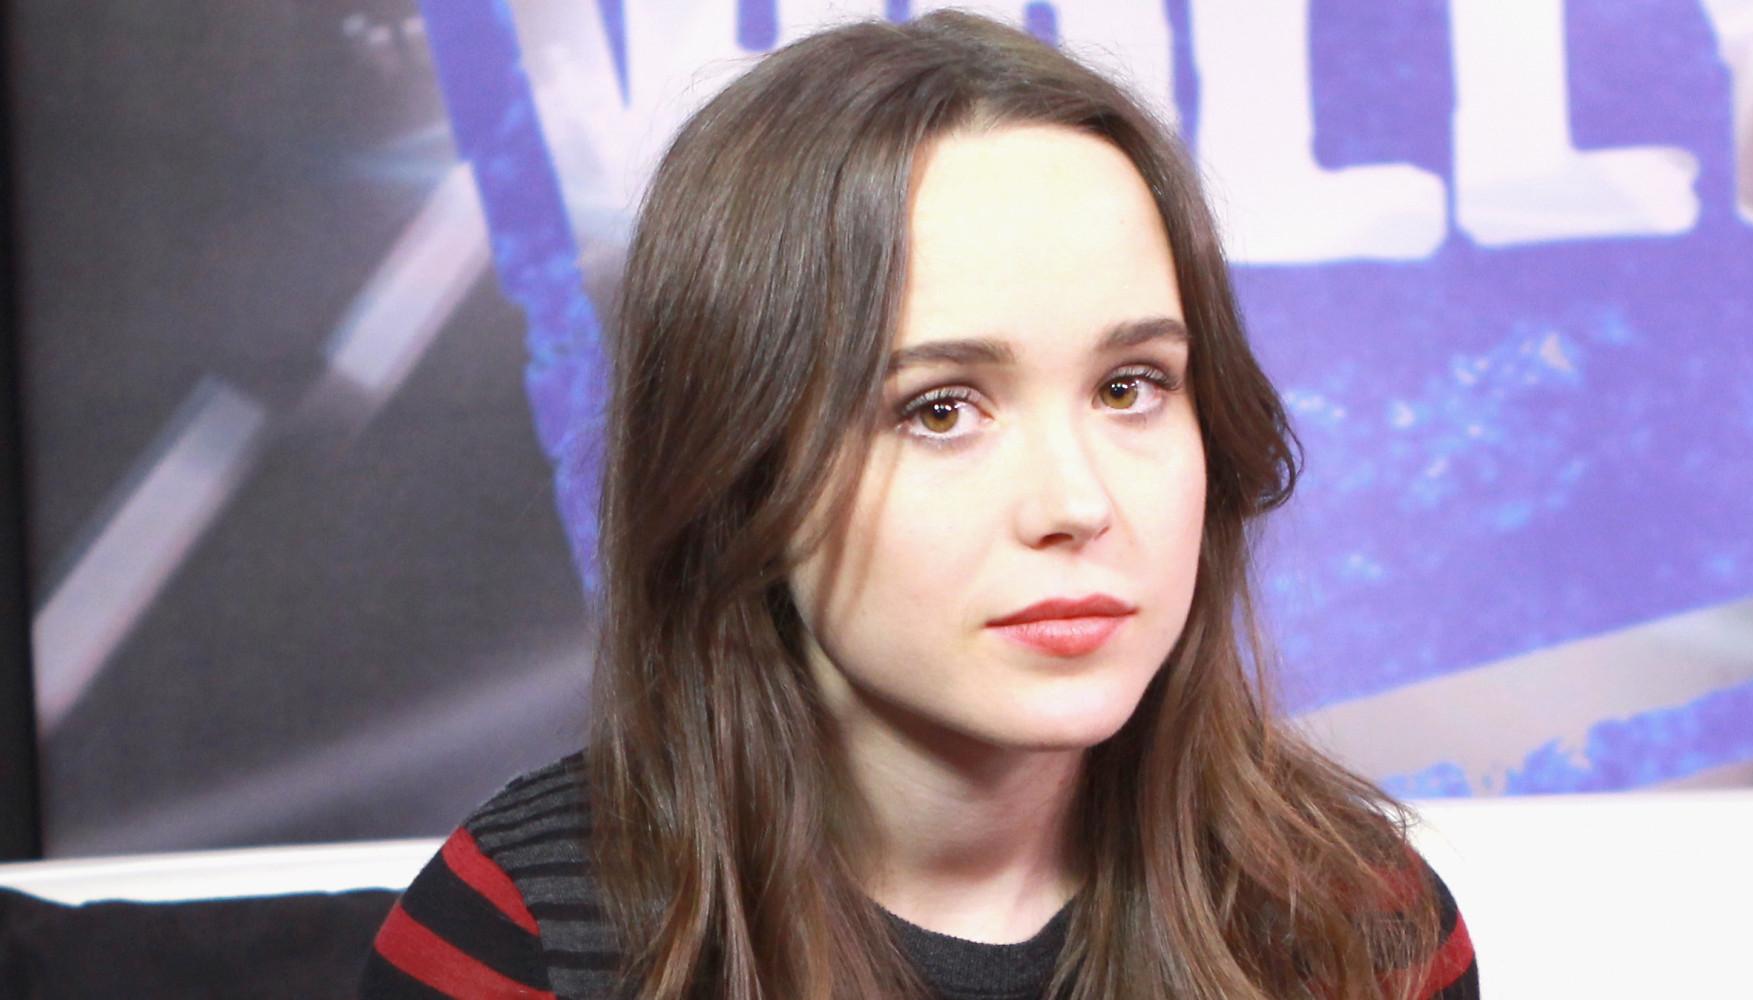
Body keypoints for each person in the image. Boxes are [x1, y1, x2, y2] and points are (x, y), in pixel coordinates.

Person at [362, 11, 1476, 1000]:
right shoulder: (519, 944)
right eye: (939, 409)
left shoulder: (1361, 927)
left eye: (1130, 387)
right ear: (740, 462)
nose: (1076, 502)